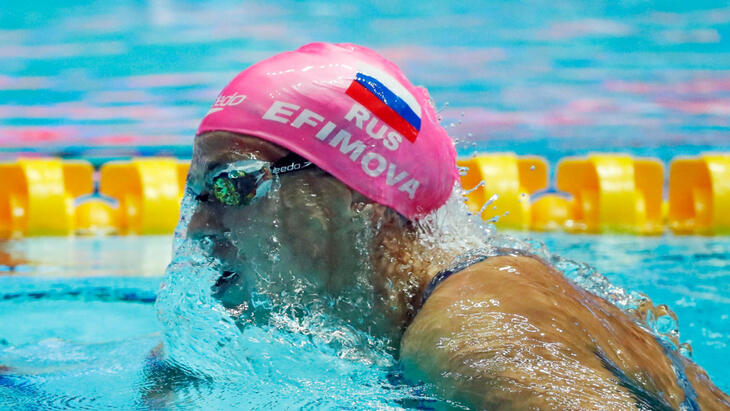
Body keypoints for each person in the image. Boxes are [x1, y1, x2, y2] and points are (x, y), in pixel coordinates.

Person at [182, 43, 729, 409]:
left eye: (233, 185)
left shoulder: (475, 337)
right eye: (197, 194)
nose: (200, 226)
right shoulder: (408, 314)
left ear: (359, 195)